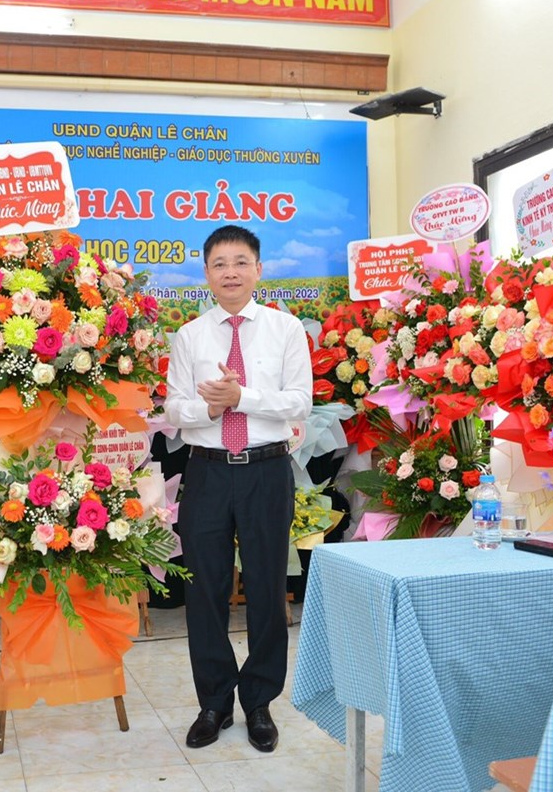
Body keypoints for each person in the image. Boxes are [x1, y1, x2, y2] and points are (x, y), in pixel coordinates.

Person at [163, 225, 313, 753]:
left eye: (241, 262)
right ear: (206, 273)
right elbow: (174, 410)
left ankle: (259, 702)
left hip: (265, 471)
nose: (231, 272)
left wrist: (241, 397)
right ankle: (214, 702)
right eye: (220, 263)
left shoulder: (285, 329)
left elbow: (300, 402)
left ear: (258, 269)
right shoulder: (190, 336)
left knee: (267, 589)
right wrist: (210, 408)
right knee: (204, 590)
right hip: (206, 471)